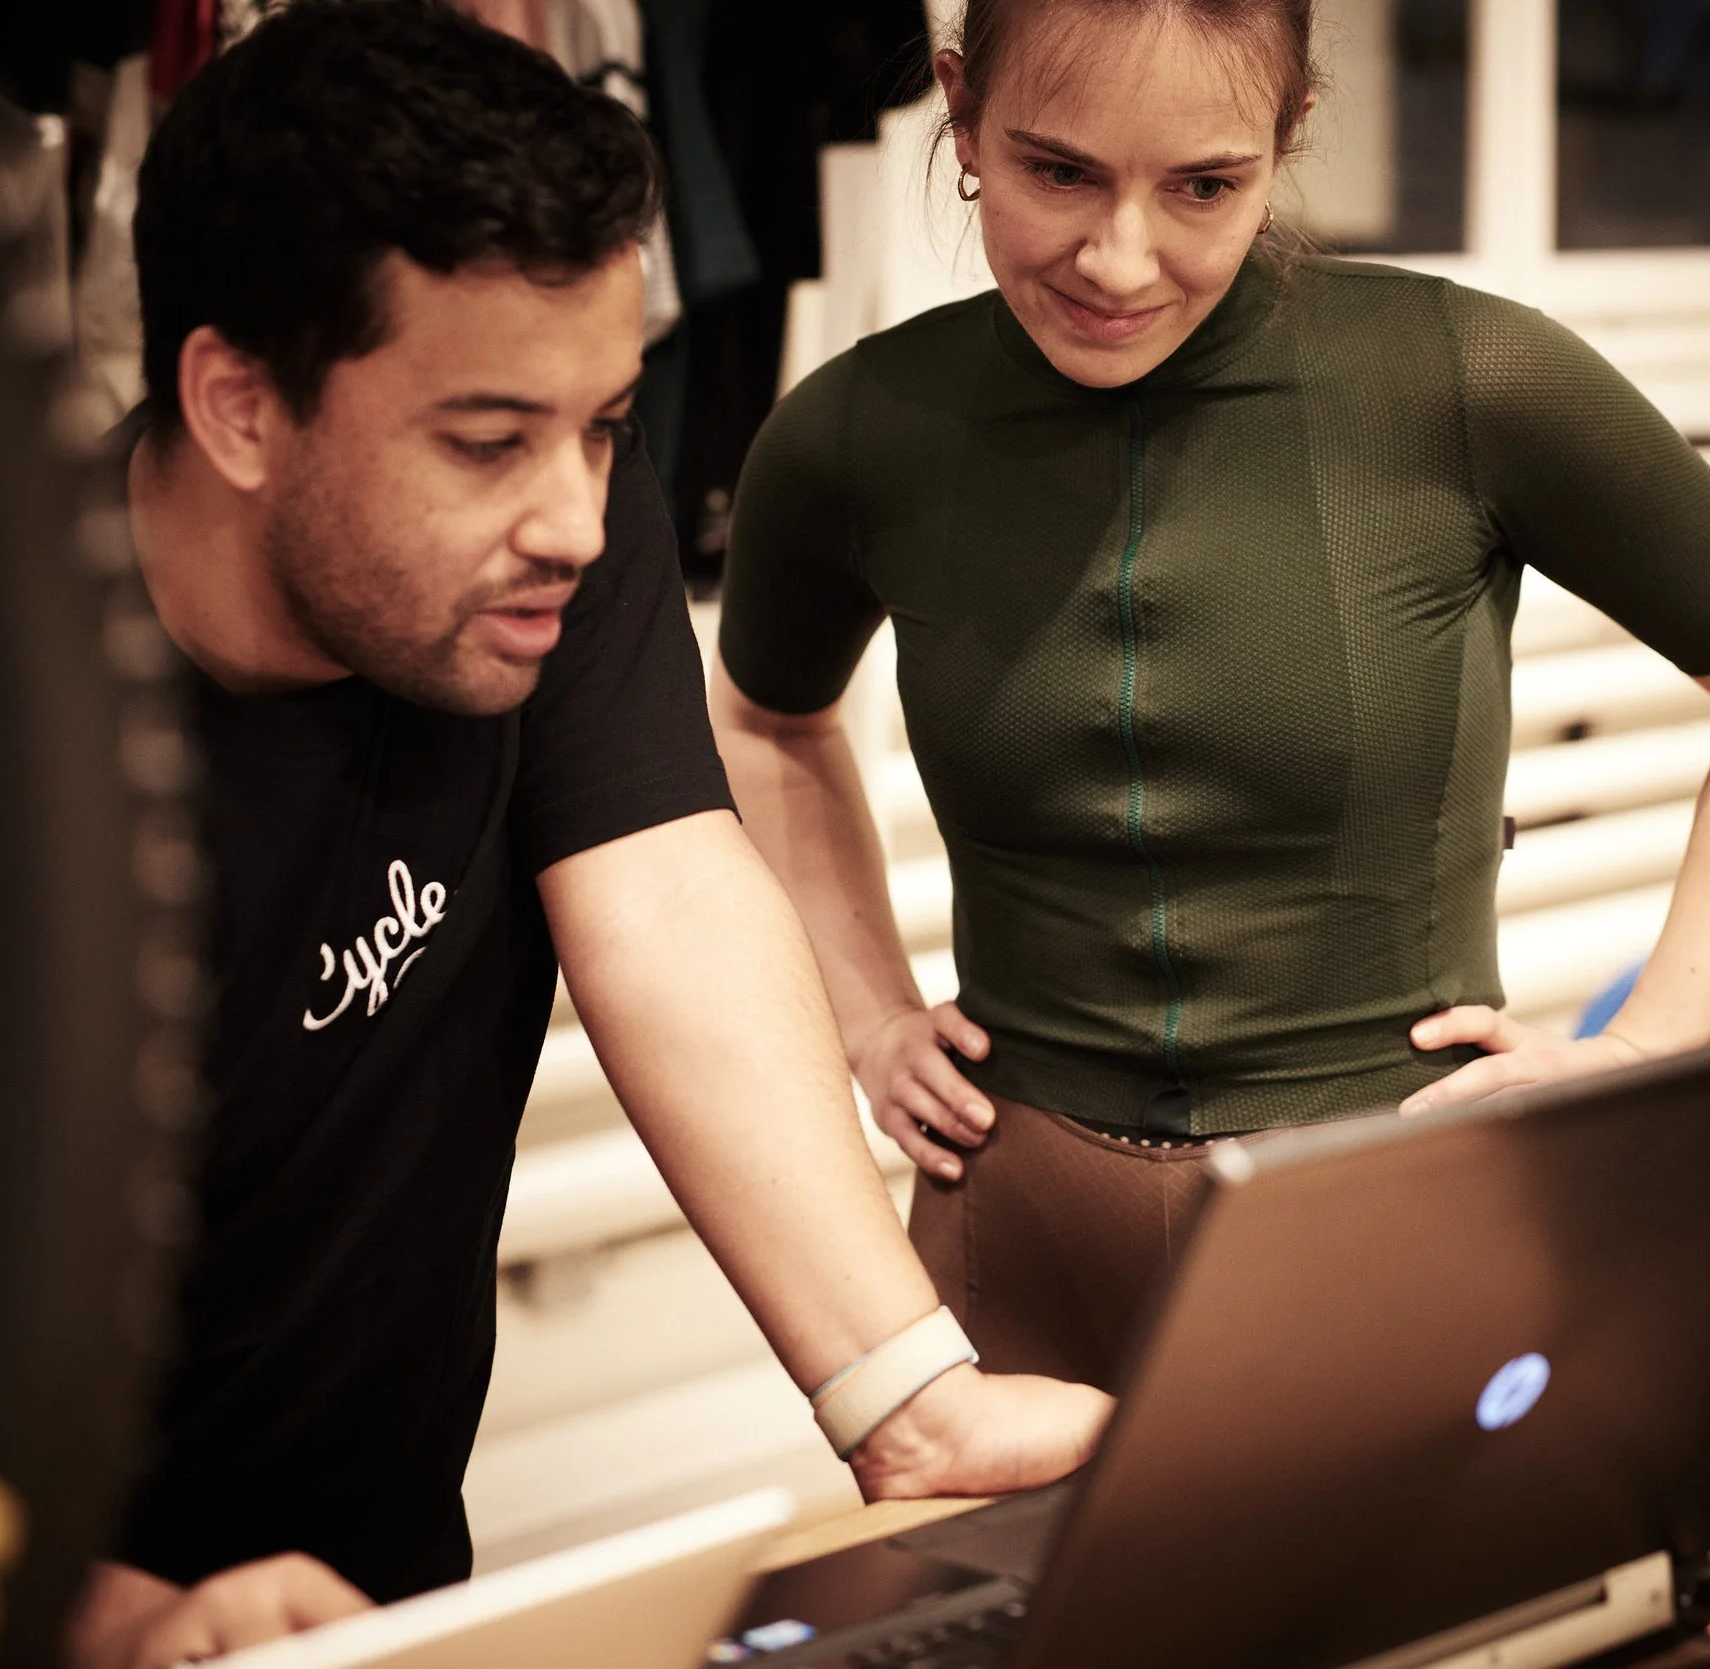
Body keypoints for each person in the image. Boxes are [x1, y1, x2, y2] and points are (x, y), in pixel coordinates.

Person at [62, 8, 1108, 1667]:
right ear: (241, 406)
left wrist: (911, 1400)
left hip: (384, 1601)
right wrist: (104, 1620)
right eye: (485, 443)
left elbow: (668, 890)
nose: (577, 513)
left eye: (608, 425)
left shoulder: (539, 547)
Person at [712, 0, 1710, 1390]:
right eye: (1058, 171)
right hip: (1010, 1229)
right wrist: (864, 1012)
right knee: (1023, 1613)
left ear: (1289, 135)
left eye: (1205, 186)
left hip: (1387, 1213)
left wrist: (1648, 1044)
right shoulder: (859, 433)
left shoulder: (1464, 380)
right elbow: (767, 720)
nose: (1120, 260)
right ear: (962, 115)